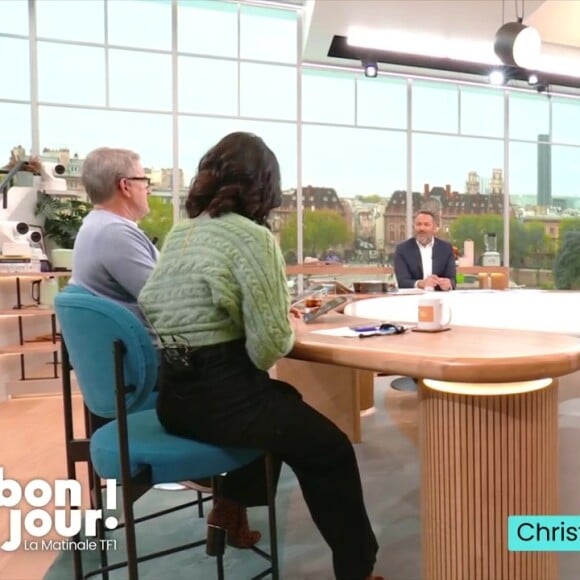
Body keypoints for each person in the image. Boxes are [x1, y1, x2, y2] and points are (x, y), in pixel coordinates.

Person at [139, 132, 382, 580]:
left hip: (174, 398)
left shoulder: (181, 233)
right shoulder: (251, 237)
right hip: (223, 400)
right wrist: (282, 321)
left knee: (283, 400)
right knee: (330, 450)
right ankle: (358, 570)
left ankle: (230, 507)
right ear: (265, 185)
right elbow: (269, 346)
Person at [70, 147, 158, 327]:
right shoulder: (114, 234)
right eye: (144, 181)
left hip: (124, 347)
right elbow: (165, 299)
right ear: (125, 186)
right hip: (153, 348)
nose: (148, 190)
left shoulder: (96, 225)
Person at [394, 209, 456, 291]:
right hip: (413, 298)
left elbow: (453, 280)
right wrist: (421, 283)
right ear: (414, 227)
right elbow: (402, 282)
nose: (422, 228)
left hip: (439, 296)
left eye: (426, 225)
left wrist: (448, 284)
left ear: (434, 228)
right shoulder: (402, 249)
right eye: (418, 224)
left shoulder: (446, 248)